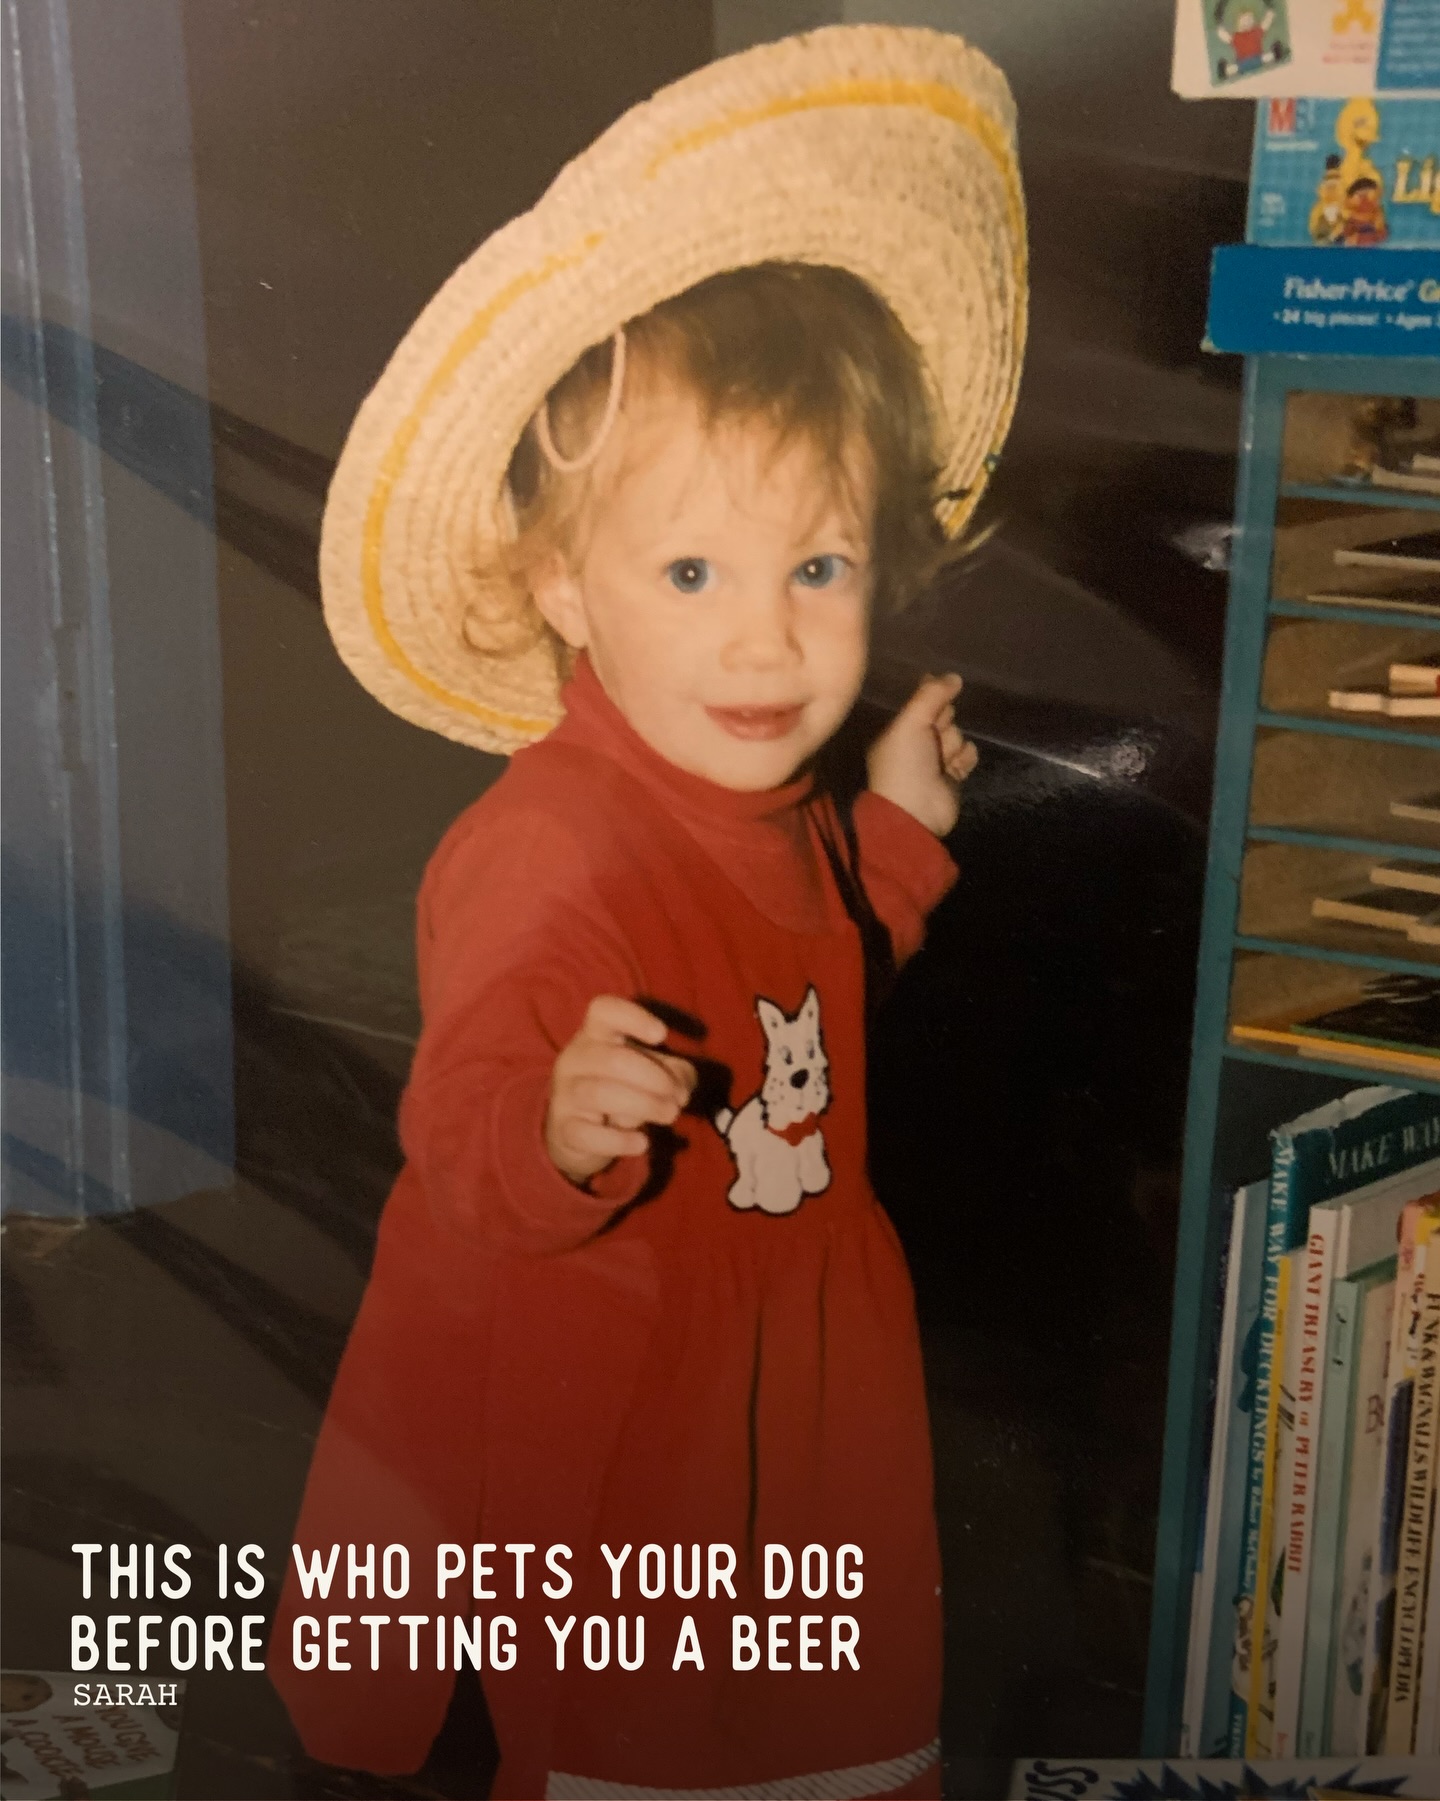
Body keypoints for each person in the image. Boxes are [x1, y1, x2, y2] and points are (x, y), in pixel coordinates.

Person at [270, 25, 1026, 1799]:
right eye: (691, 568)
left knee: (839, 1739)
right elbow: (466, 1114)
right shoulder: (553, 847)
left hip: (808, 1376)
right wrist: (548, 1124)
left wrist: (895, 839)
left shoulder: (767, 800)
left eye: (816, 565)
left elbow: (793, 989)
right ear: (562, 585)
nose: (767, 638)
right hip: (643, 1394)